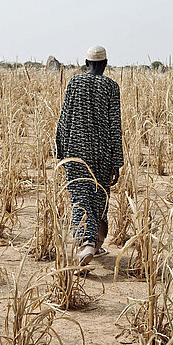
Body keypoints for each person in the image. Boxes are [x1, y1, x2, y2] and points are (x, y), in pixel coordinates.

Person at [55, 45, 124, 266]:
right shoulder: (111, 86)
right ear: (105, 65)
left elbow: (64, 118)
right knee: (99, 197)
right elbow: (115, 126)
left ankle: (87, 243)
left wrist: (60, 151)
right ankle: (94, 242)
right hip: (102, 152)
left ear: (86, 64)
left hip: (75, 149)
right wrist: (116, 162)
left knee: (79, 197)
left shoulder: (75, 83)